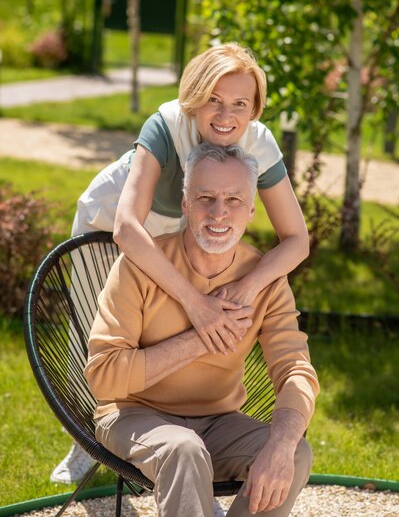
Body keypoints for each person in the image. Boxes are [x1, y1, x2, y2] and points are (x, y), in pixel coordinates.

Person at [50, 42, 309, 485]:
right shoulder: (168, 124)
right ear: (194, 97)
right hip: (117, 214)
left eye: (240, 104)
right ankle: (88, 440)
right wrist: (192, 301)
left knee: (168, 324)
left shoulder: (258, 142)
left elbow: (297, 240)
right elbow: (128, 230)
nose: (226, 115)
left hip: (188, 216)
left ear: (255, 109)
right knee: (97, 331)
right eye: (214, 99)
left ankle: (186, 465)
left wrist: (246, 288)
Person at [84, 143, 319, 517]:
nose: (219, 212)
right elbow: (102, 378)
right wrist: (200, 336)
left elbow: (296, 371)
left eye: (234, 199)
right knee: (184, 448)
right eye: (205, 197)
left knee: (296, 451)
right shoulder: (139, 268)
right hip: (134, 416)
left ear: (253, 209)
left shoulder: (264, 280)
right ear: (185, 204)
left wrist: (282, 441)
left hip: (219, 421)